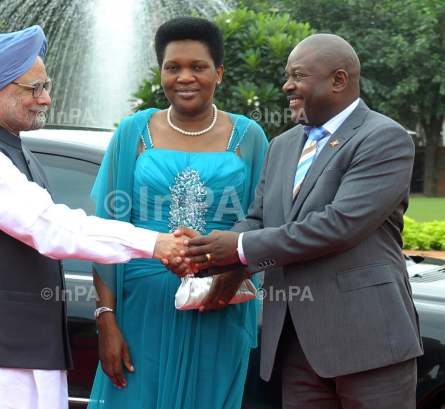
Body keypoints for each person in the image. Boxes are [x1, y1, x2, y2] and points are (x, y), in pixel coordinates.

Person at [0, 25, 186, 409]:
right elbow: (49, 227)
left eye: (46, 85)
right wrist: (153, 242)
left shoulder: (9, 147)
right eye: (34, 88)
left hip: (18, 347)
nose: (46, 98)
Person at [179, 34, 423, 408]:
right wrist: (205, 250)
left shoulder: (383, 137)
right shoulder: (282, 145)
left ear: (338, 80)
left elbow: (339, 225)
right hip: (296, 347)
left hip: (369, 342)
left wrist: (240, 248)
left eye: (298, 75)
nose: (287, 85)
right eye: (287, 76)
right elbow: (259, 219)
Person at [87, 17, 268, 409]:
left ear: (219, 73)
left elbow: (266, 225)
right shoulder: (133, 132)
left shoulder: (249, 137)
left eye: (198, 66)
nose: (185, 77)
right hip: (140, 310)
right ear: (161, 72)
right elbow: (105, 232)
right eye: (173, 67)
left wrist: (235, 272)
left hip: (219, 303)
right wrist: (106, 320)